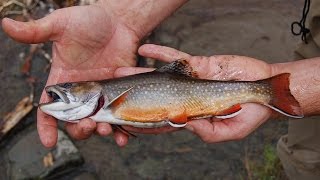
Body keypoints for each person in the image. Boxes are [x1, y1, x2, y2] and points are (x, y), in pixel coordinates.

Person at [2, 0, 320, 179]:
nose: (64, 92)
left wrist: (276, 79)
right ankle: (270, 88)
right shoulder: (104, 101)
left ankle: (268, 89)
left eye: (70, 88)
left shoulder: (108, 102)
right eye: (68, 90)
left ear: (90, 90)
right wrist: (122, 17)